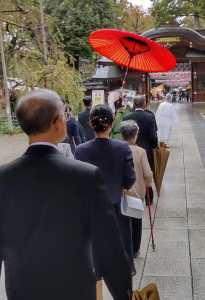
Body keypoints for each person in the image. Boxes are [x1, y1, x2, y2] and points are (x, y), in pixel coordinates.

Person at [0, 89, 133, 300]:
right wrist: (124, 294)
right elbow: (110, 249)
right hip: (75, 290)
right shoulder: (86, 176)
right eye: (64, 115)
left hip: (22, 290)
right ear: (57, 123)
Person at [74, 104, 136, 297]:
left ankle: (97, 296)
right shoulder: (123, 147)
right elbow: (129, 179)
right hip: (117, 210)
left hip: (90, 213)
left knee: (94, 259)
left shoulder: (81, 151)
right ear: (111, 124)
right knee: (121, 257)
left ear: (91, 125)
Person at [119, 120, 153, 258]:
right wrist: (148, 184)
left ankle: (122, 247)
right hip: (136, 192)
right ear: (135, 136)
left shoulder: (117, 148)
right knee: (136, 220)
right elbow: (147, 173)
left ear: (121, 135)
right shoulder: (140, 151)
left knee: (121, 220)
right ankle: (134, 249)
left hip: (119, 191)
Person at [124, 95, 158, 205]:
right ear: (144, 104)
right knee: (146, 173)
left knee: (132, 173)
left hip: (129, 150)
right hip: (147, 151)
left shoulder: (127, 117)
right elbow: (153, 136)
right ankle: (149, 198)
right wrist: (154, 146)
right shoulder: (150, 117)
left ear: (134, 104)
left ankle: (133, 194)